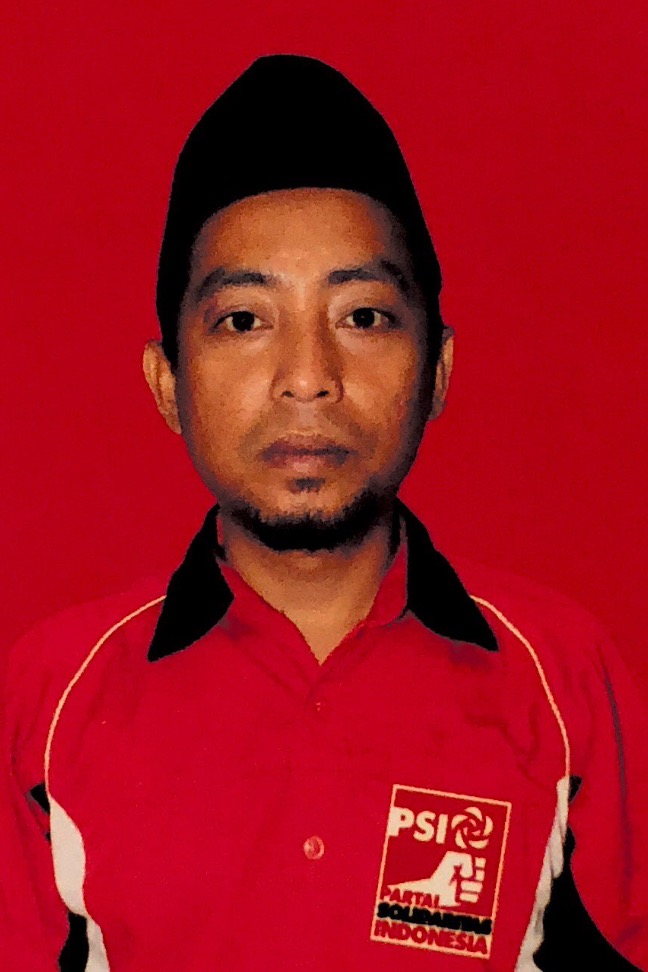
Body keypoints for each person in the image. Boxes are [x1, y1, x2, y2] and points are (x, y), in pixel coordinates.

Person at [1, 54, 646, 972]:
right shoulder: (50, 698)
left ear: (439, 372)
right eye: (243, 320)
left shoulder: (565, 678)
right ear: (167, 382)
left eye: (363, 317)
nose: (308, 377)